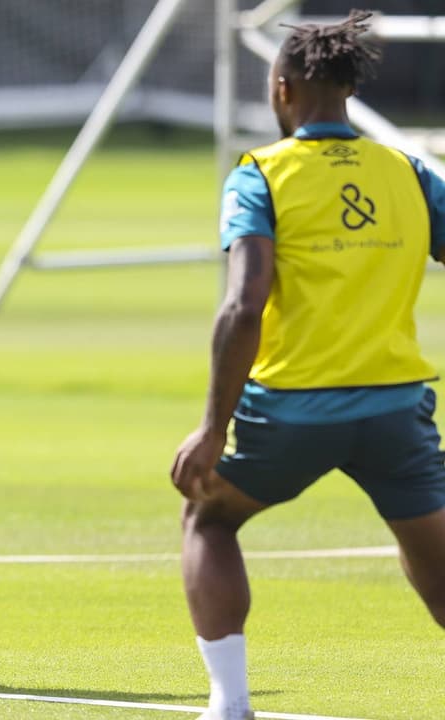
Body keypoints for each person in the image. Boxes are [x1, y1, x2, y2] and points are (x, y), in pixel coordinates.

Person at [170, 11, 445, 720]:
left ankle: (229, 703)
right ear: (349, 90)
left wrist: (211, 428)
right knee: (434, 559)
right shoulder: (411, 172)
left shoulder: (261, 174)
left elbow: (243, 306)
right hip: (396, 410)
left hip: (291, 412)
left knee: (209, 519)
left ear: (282, 89)